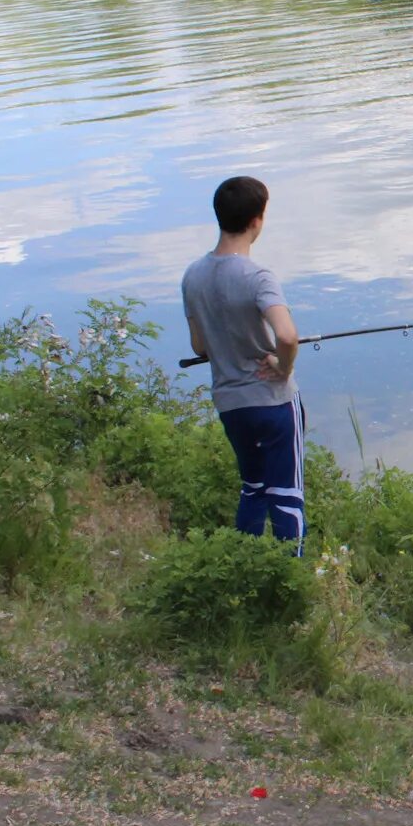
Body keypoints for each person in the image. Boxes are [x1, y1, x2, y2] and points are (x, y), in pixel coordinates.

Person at [182, 176, 305, 552]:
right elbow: (286, 336)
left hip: (231, 405)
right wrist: (283, 367)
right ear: (256, 220)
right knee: (286, 493)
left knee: (253, 488)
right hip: (272, 402)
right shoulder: (258, 277)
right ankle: (292, 580)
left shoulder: (193, 277)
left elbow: (200, 346)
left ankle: (244, 567)